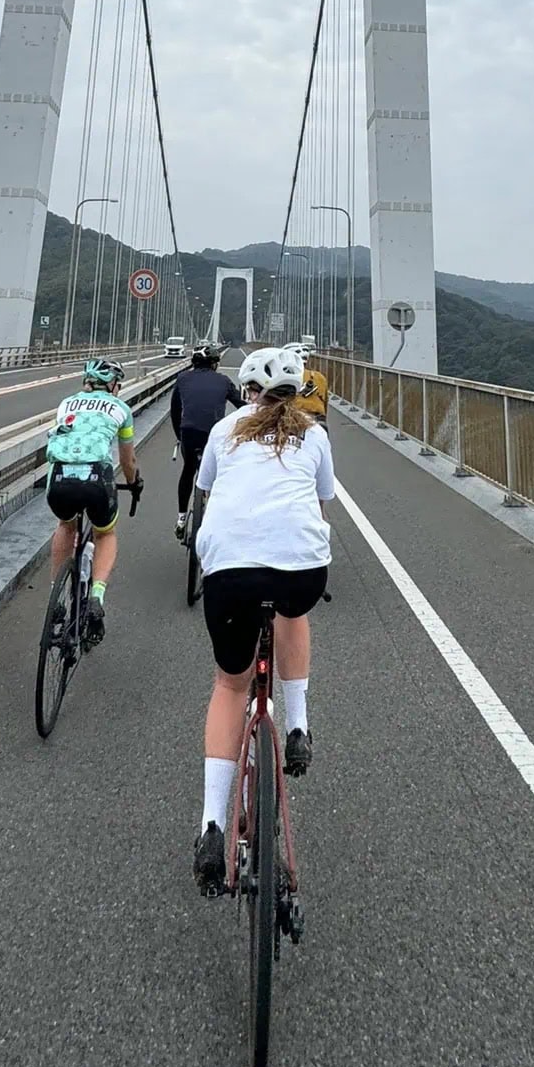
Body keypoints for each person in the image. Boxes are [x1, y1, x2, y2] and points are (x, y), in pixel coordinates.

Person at [191, 345, 334, 897]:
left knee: (231, 685)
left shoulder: (225, 430)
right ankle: (297, 727)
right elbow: (321, 504)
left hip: (230, 571)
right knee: (294, 613)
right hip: (301, 568)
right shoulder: (314, 435)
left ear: (248, 391)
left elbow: (205, 492)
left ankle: (212, 827)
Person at [45, 359, 140, 647]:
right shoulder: (120, 409)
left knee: (66, 525)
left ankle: (55, 599)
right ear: (113, 385)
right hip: (96, 479)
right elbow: (127, 460)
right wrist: (133, 481)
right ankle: (97, 596)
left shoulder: (66, 404)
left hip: (59, 479)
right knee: (105, 534)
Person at [170, 343, 242, 541]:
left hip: (188, 433)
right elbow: (242, 405)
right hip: (214, 435)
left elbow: (175, 411)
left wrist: (179, 435)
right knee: (217, 476)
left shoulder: (182, 378)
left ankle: (181, 519)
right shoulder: (224, 381)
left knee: (188, 470)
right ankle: (216, 519)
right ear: (214, 364)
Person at [291, 343, 330, 421]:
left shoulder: (288, 377)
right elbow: (325, 402)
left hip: (295, 416)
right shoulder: (319, 377)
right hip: (318, 417)